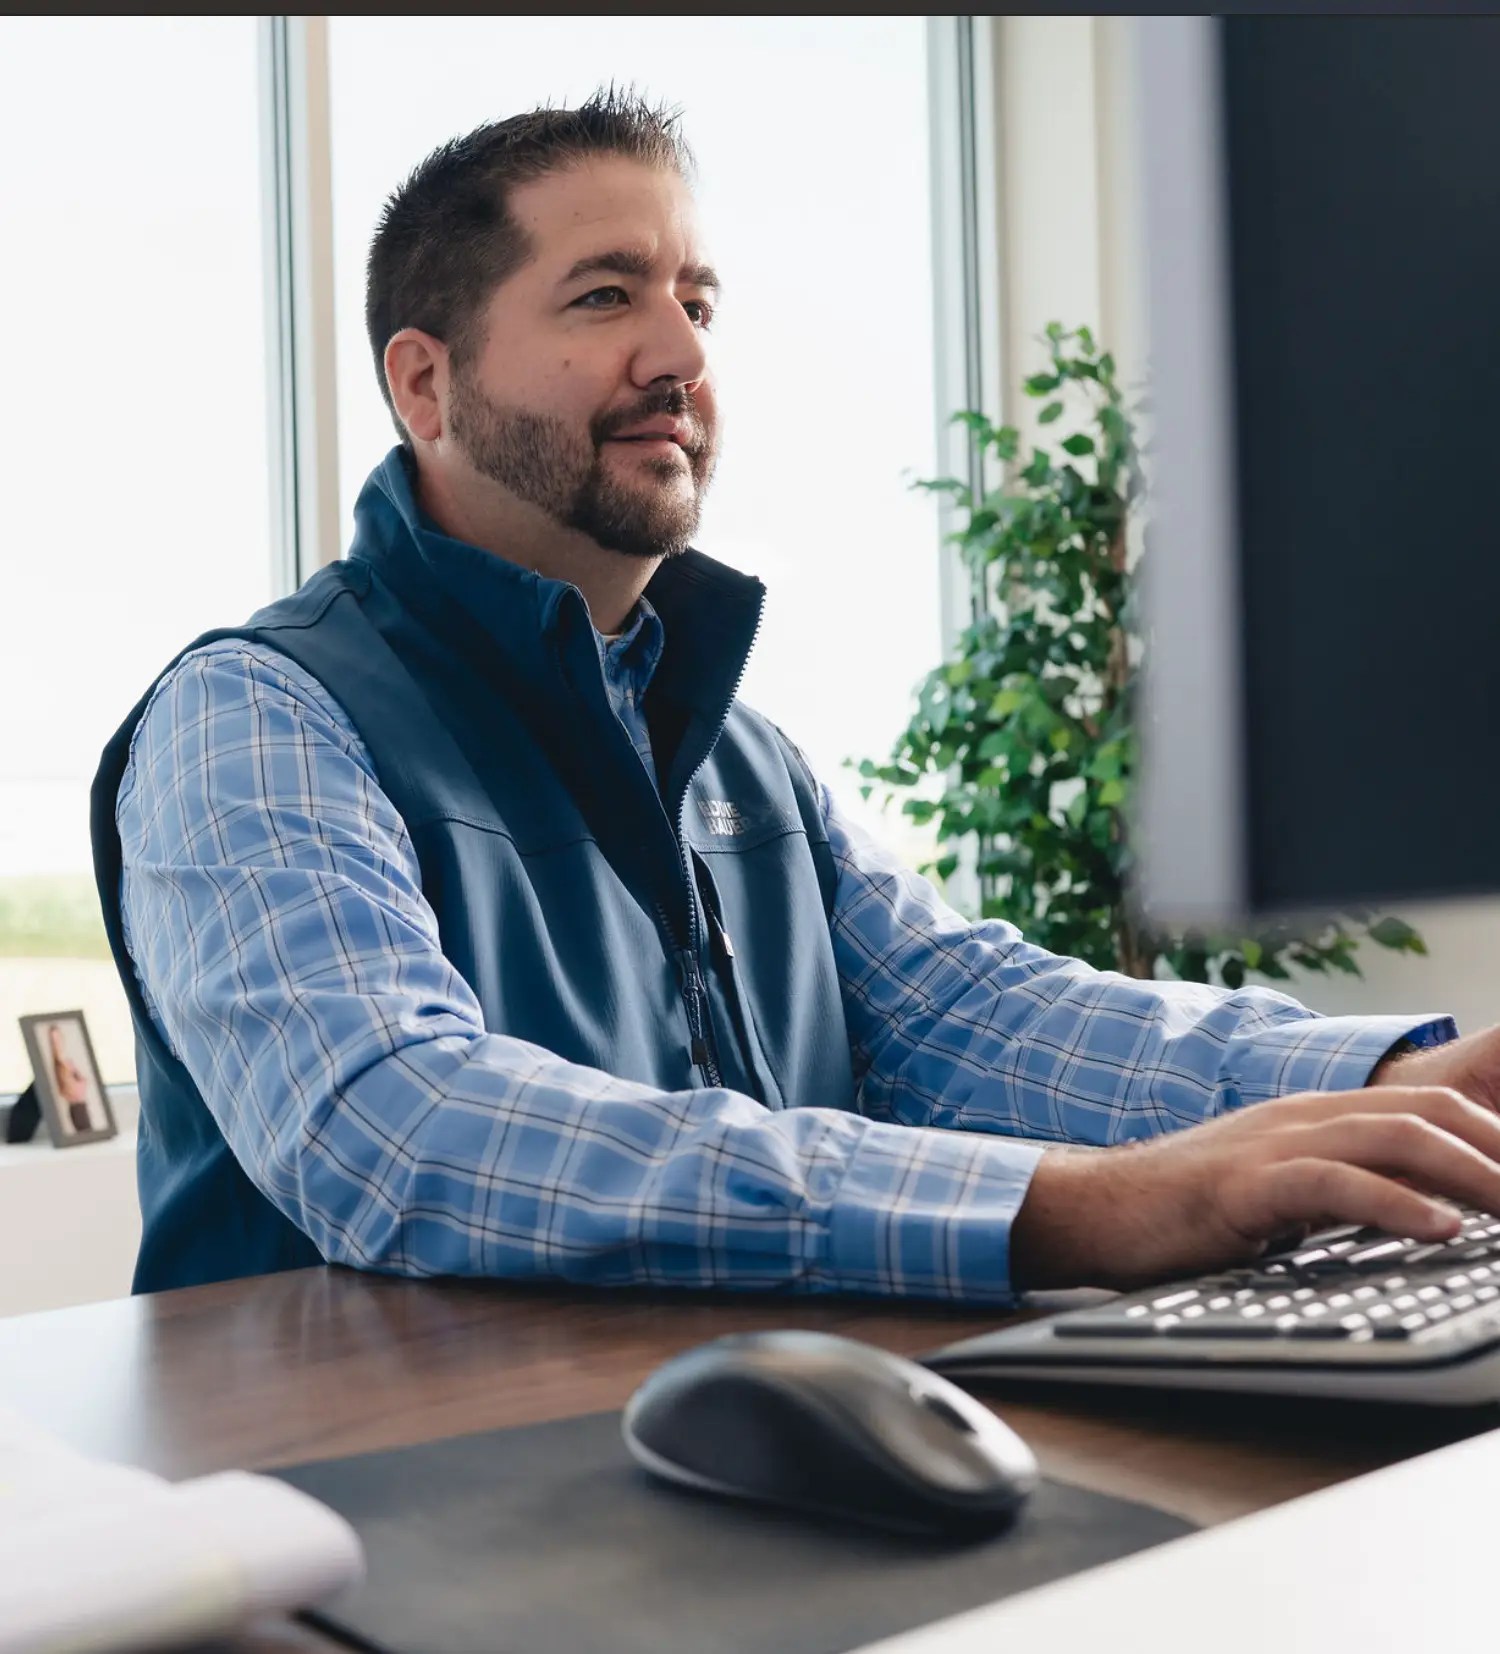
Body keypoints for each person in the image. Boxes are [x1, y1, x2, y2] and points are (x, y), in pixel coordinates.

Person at [93, 91, 1500, 1300]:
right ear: (425, 382)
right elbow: (395, 1127)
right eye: (606, 294)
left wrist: (1402, 1082)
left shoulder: (742, 760)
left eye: (696, 303)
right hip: (353, 1529)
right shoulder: (258, 719)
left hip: (693, 1482)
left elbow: (968, 1016)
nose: (683, 356)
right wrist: (1075, 1203)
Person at [47, 1023, 93, 1134]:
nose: (57, 1044)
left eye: (58, 1039)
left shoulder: (69, 1062)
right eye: (53, 1041)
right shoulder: (57, 1066)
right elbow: (66, 1090)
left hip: (81, 1105)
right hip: (75, 1107)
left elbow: (84, 1081)